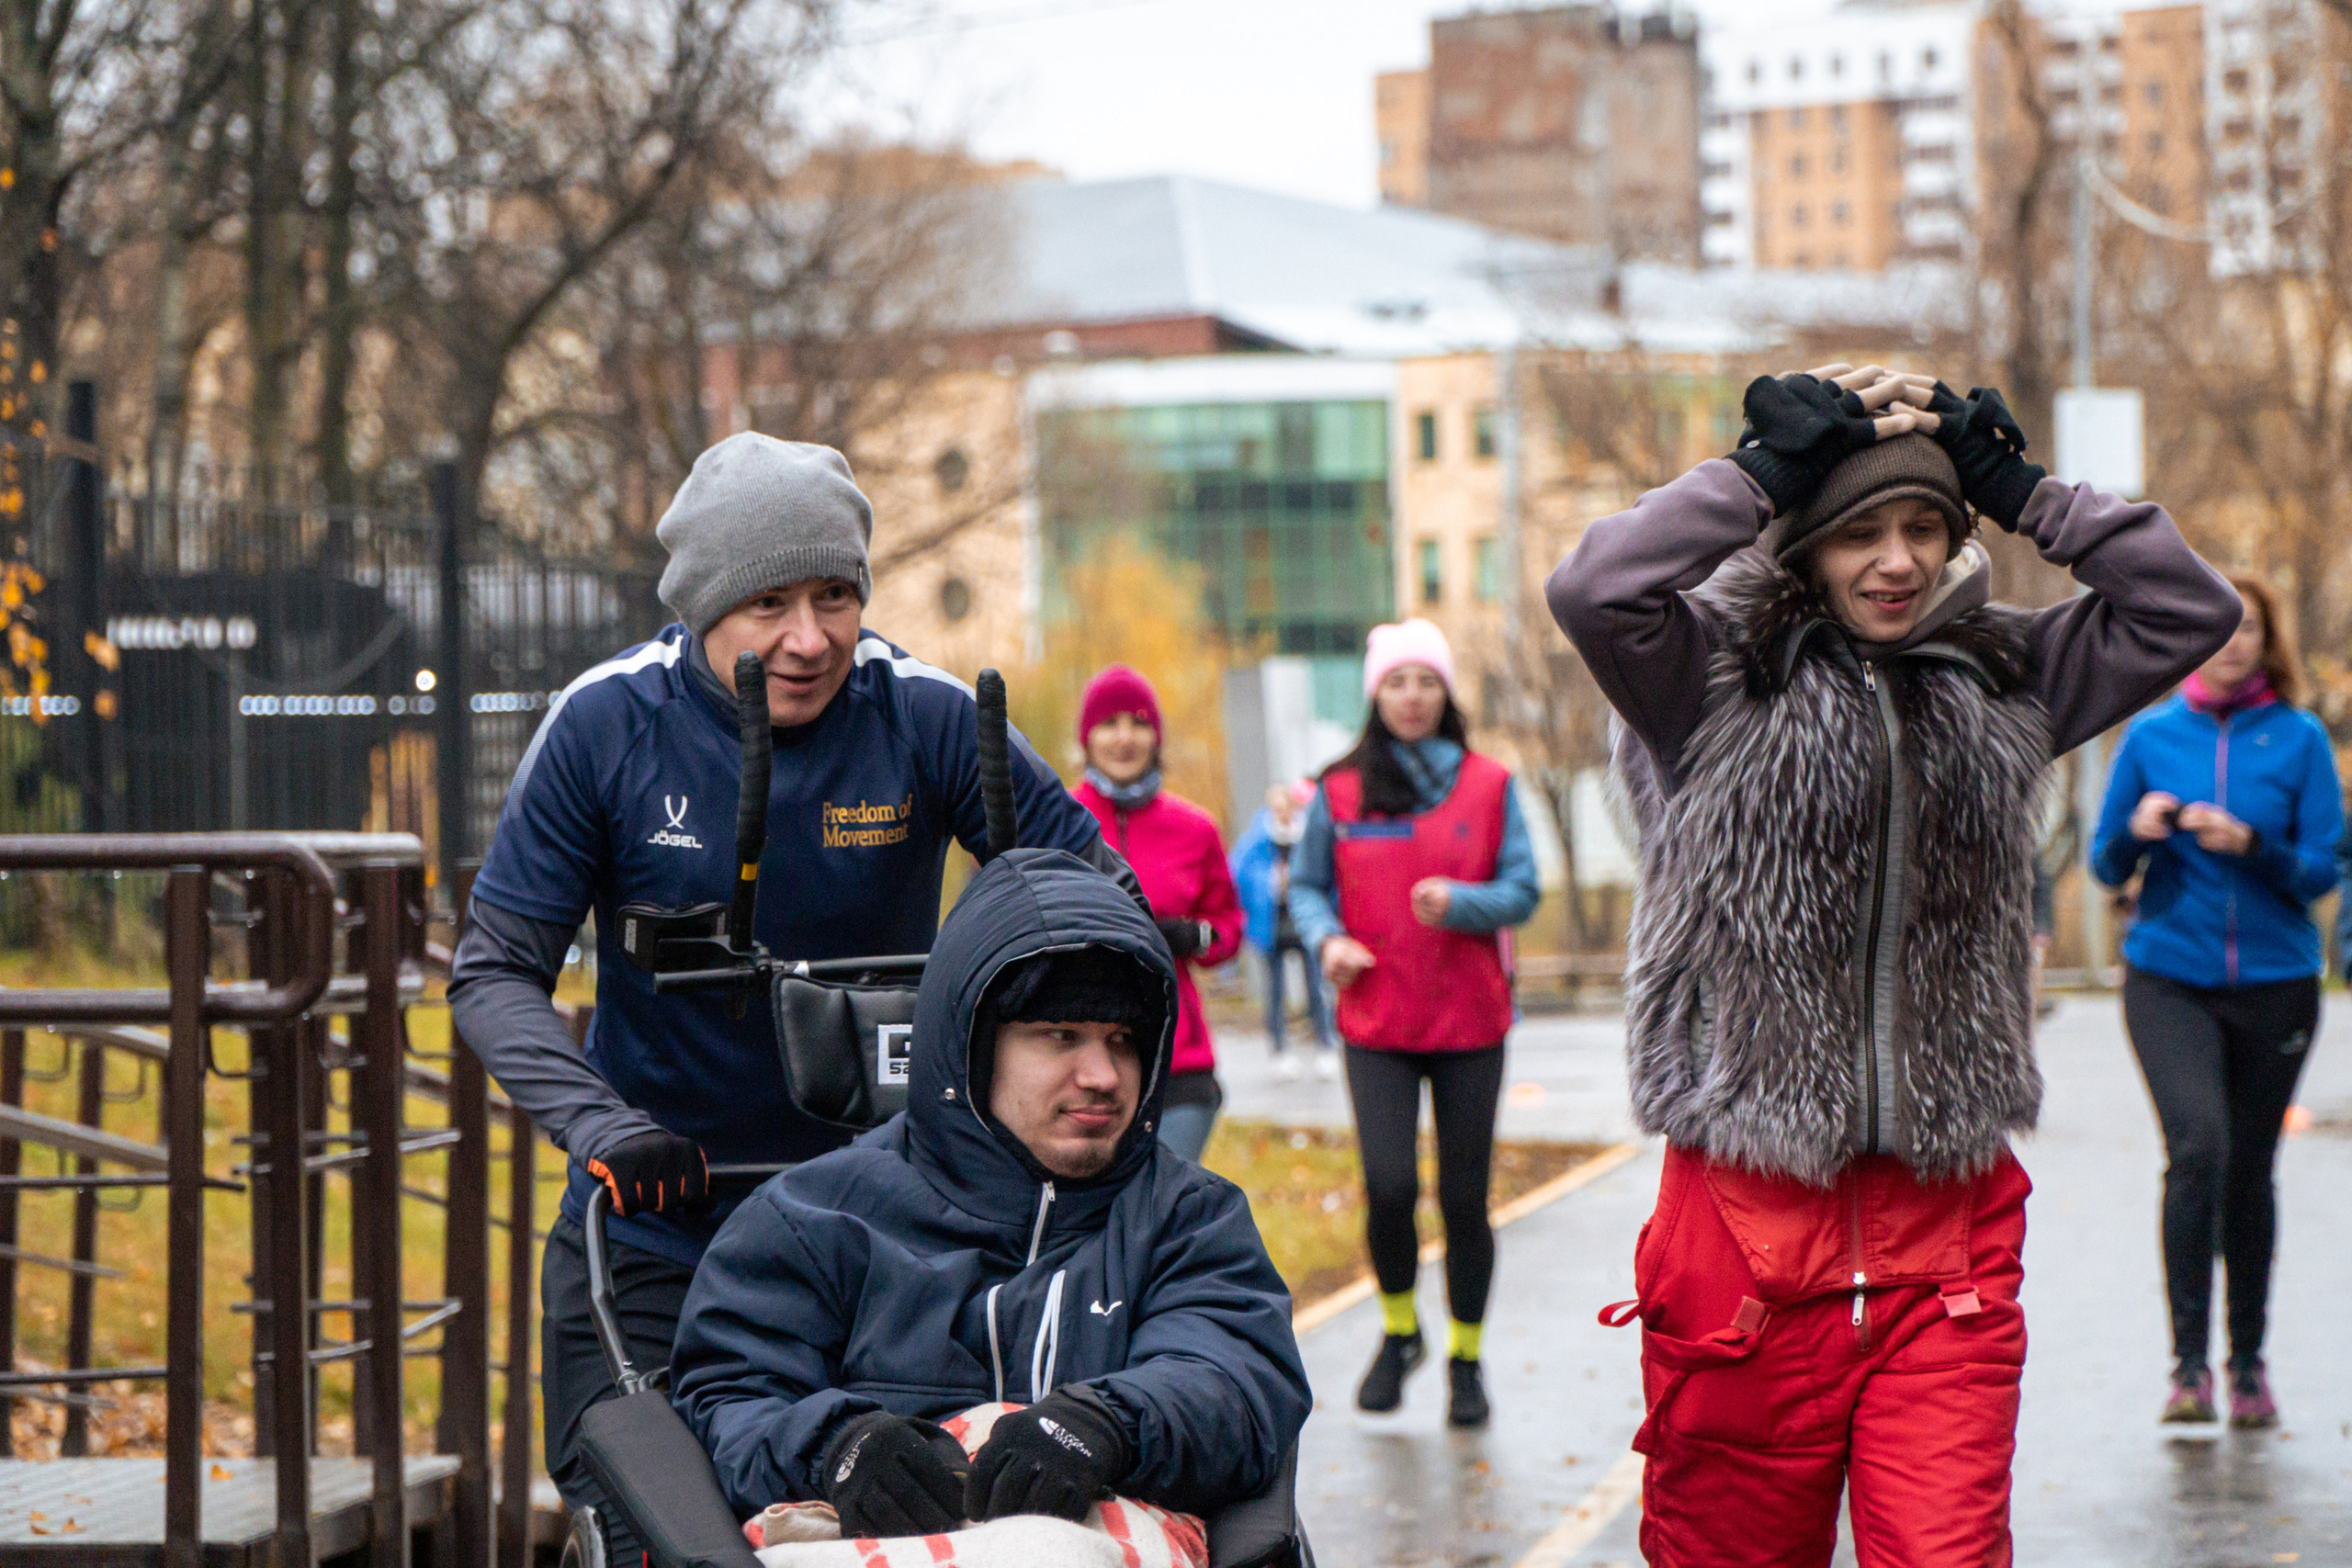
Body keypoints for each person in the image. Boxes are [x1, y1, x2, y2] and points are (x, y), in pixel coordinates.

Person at [1548, 365, 2240, 1567]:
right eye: (1861, 529)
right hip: (1744, 1231)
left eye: (1926, 526)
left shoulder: (2003, 673)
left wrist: (2021, 490)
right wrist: (1758, 476)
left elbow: (2187, 611)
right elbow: (1595, 585)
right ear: (1806, 545)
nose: (1898, 559)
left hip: (1946, 1242)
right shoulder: (1708, 675)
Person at [446, 434, 1129, 1558]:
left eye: (834, 597)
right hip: (659, 1229)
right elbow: (493, 974)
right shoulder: (605, 726)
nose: (808, 639)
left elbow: (1103, 908)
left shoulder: (928, 716)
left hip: (879, 1239)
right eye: (767, 602)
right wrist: (605, 1126)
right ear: (703, 604)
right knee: (651, 1527)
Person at [670, 847, 1311, 1532]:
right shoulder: (811, 1220)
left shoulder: (1188, 1219)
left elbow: (1231, 1374)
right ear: (973, 1046)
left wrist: (1105, 1423)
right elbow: (734, 1392)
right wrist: (838, 1446)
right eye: (1060, 1034)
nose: (1101, 1072)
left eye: (1123, 1039)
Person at [2089, 572, 2342, 1428]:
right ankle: (2189, 1365)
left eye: (2249, 631)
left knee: (2249, 1171)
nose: (2232, 643)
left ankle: (2248, 1365)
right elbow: (2103, 863)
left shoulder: (2301, 739)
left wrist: (2252, 844)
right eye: (2220, 629)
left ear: (2268, 642)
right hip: (2168, 975)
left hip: (2276, 983)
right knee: (2198, 1147)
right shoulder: (2153, 734)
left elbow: (2321, 870)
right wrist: (2141, 827)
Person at [1287, 617, 1542, 1428]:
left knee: (1464, 1199)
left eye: (1426, 680)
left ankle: (1466, 1356)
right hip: (1378, 1022)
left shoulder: (1491, 784)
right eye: (1396, 681)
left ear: (1445, 692)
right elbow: (1306, 887)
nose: (1411, 696)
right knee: (1390, 1189)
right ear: (1376, 694)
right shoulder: (1337, 789)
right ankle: (1401, 1333)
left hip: (1471, 1022)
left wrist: (1464, 903)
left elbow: (1525, 888)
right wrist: (1327, 938)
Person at [1069, 665, 1245, 1163]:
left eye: (1139, 723)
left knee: (1160, 1216)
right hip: (1078, 1052)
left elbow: (1230, 930)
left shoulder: (1195, 829)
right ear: (1087, 737)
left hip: (1178, 1058)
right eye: (1109, 723)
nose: (1124, 738)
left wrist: (1194, 936)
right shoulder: (1055, 819)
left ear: (1157, 737)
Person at [1231, 783, 1340, 1080]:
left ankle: (1325, 1045)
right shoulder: (1257, 839)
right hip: (1271, 926)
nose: (1280, 813)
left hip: (1304, 924)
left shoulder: (1307, 837)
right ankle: (1280, 1050)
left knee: (1317, 987)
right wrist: (1269, 885)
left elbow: (1326, 875)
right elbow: (1238, 873)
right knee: (1274, 991)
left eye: (1285, 806)